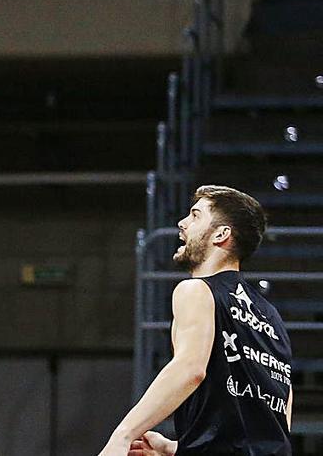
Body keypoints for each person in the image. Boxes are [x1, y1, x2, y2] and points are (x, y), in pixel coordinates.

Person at [99, 185, 293, 456]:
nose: (182, 224)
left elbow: (190, 369)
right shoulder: (271, 318)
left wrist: (123, 434)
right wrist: (179, 449)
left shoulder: (196, 291)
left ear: (221, 234)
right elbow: (279, 412)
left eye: (195, 215)